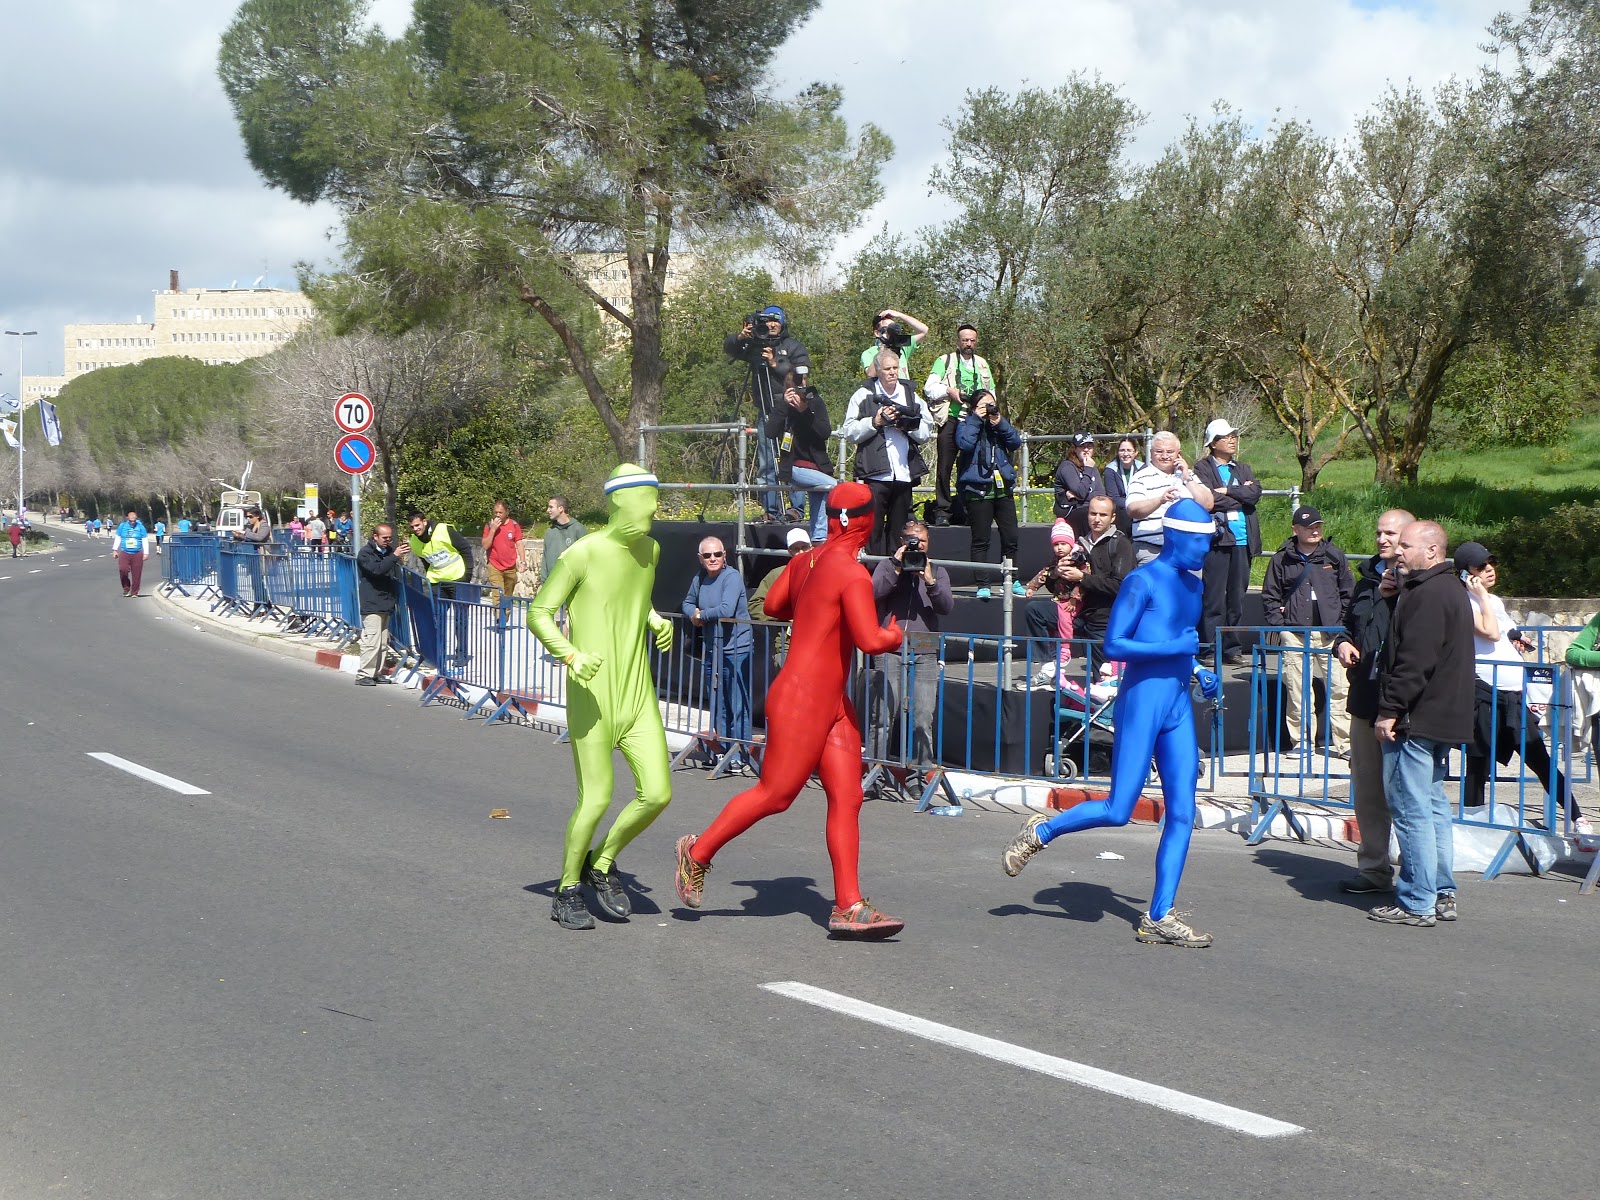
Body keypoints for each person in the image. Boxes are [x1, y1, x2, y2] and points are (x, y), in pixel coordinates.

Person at [674, 482, 907, 938]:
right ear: (864, 521)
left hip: (828, 702)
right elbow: (870, 639)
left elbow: (775, 605)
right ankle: (696, 852)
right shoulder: (852, 574)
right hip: (804, 701)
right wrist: (894, 635)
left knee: (848, 797)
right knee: (776, 795)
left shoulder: (807, 560)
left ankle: (848, 905)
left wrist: (818, 613)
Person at [1000, 498, 1222, 947]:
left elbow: (1179, 642)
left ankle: (1159, 915)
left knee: (1183, 812)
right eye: (1200, 541)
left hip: (1177, 704)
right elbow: (1116, 645)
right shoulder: (1142, 581)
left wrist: (1198, 669)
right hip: (1141, 702)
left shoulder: (1193, 586)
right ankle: (1042, 830)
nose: (1206, 550)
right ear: (1176, 537)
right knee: (1119, 810)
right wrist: (1177, 651)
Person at [527, 464, 675, 930]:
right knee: (596, 798)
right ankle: (567, 889)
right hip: (592, 696)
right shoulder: (583, 553)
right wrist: (570, 655)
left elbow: (635, 597)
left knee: (657, 793)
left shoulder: (650, 550)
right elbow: (539, 613)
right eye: (647, 499)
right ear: (619, 501)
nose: (655, 507)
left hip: (637, 694)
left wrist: (653, 618)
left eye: (655, 498)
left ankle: (602, 862)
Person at [1371, 520, 1475, 927]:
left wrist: (1390, 710)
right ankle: (1440, 891)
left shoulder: (1429, 593)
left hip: (1416, 719)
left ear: (1432, 551)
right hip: (1438, 717)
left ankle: (1417, 899)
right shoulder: (1446, 588)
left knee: (1411, 809)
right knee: (1432, 808)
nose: (1398, 551)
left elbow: (1415, 662)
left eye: (1407, 545)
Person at [1456, 541, 1589, 833]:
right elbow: (1490, 633)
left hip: (1514, 696)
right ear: (1466, 573)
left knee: (1540, 759)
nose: (1489, 569)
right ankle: (1472, 826)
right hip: (1484, 693)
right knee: (1478, 764)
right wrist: (1480, 596)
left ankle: (1578, 818)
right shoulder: (1463, 602)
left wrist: (1517, 639)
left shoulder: (1494, 601)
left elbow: (1504, 631)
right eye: (1481, 566)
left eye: (1491, 563)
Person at [1332, 508, 1414, 894]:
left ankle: (1417, 880)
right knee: (1368, 793)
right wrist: (1342, 643)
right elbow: (1350, 625)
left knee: (1408, 797)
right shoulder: (1366, 579)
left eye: (1390, 534)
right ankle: (1373, 870)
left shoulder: (1421, 584)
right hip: (1365, 700)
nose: (1382, 539)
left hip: (1404, 708)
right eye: (1379, 532)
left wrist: (1394, 597)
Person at [1262, 505, 1354, 759]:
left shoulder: (1334, 556)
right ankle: (1302, 742)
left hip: (1331, 634)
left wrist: (1343, 627)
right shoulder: (1281, 559)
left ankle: (1345, 744)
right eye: (1309, 527)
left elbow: (1348, 593)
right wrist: (1281, 628)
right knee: (1298, 691)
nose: (1315, 531)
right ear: (1296, 530)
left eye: (1318, 526)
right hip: (1294, 633)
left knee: (1340, 689)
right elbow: (1270, 595)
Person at [872, 517, 955, 783]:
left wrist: (929, 581)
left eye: (922, 541)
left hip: (925, 649)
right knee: (883, 716)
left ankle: (919, 778)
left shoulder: (937, 571)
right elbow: (872, 593)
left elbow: (946, 607)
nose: (917, 546)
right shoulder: (887, 566)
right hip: (889, 646)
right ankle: (875, 774)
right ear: (901, 541)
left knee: (922, 718)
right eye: (912, 541)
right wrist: (896, 568)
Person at [842, 350, 934, 556]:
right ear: (877, 370)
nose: (892, 372)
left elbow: (926, 432)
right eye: (887, 369)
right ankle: (872, 571)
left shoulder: (910, 394)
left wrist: (906, 425)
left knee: (899, 532)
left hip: (903, 473)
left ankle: (895, 571)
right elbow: (849, 432)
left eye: (895, 368)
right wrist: (875, 422)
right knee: (871, 530)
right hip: (874, 474)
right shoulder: (863, 394)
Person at [725, 305, 812, 522]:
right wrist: (740, 337)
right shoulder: (756, 346)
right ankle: (770, 511)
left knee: (792, 461)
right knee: (766, 465)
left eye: (776, 321)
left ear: (783, 323)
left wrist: (774, 363)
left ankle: (796, 509)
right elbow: (730, 350)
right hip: (766, 413)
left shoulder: (794, 346)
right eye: (768, 321)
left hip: (791, 413)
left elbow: (801, 377)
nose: (771, 325)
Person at [1193, 420, 1262, 665]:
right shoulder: (1202, 468)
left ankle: (1232, 648)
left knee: (1237, 599)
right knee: (1213, 597)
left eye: (1234, 436)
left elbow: (1255, 494)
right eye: (1226, 436)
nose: (1232, 440)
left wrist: (1228, 492)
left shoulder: (1243, 468)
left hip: (1243, 542)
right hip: (1217, 542)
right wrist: (1240, 494)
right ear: (1213, 443)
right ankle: (1208, 648)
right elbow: (1208, 500)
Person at [682, 536, 754, 772]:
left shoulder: (732, 577)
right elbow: (687, 602)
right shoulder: (699, 578)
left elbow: (726, 609)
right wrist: (693, 613)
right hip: (712, 649)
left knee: (737, 703)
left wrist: (701, 616)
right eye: (707, 555)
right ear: (700, 558)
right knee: (718, 702)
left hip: (736, 650)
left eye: (717, 554)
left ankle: (740, 754)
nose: (713, 558)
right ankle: (722, 749)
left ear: (725, 556)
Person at [922, 324, 995, 526]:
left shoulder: (982, 364)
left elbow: (992, 392)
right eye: (965, 340)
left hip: (974, 421)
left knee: (970, 466)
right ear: (958, 341)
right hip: (950, 419)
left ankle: (967, 509)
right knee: (944, 467)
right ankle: (942, 511)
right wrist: (949, 391)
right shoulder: (945, 361)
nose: (968, 344)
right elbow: (929, 388)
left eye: (972, 340)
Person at [955, 389, 1022, 600]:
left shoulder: (998, 424)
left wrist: (1000, 422)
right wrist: (976, 419)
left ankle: (1011, 579)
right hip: (978, 490)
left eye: (991, 404)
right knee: (981, 539)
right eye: (984, 405)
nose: (988, 409)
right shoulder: (966, 424)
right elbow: (965, 444)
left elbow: (1015, 442)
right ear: (974, 407)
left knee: (1011, 537)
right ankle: (982, 583)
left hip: (1002, 489)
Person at [765, 369, 836, 544]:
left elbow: (824, 432)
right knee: (833, 486)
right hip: (794, 467)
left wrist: (805, 411)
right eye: (795, 386)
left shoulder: (815, 402)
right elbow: (770, 432)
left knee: (820, 496)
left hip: (817, 467)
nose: (800, 389)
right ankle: (820, 537)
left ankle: (818, 538)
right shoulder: (783, 406)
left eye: (803, 383)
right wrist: (783, 405)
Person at [396, 510, 475, 666]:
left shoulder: (443, 530)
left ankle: (461, 655)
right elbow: (426, 561)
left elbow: (465, 549)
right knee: (436, 619)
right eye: (412, 527)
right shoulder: (414, 541)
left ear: (425, 522)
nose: (415, 529)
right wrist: (430, 579)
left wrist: (467, 576)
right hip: (437, 582)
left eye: (417, 525)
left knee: (460, 619)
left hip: (458, 578)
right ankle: (438, 654)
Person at [1125, 431, 1214, 564]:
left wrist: (1187, 478)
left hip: (1187, 550)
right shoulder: (1140, 477)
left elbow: (1208, 504)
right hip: (1152, 550)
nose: (1165, 456)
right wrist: (1160, 500)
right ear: (1151, 452)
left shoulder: (1189, 475)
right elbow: (1132, 510)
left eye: (1170, 452)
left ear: (1179, 454)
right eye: (1159, 451)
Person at [1020, 519, 1085, 687]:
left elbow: (1084, 581)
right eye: (1056, 544)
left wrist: (1074, 598)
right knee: (1040, 614)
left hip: (1075, 602)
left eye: (1063, 544)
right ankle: (1049, 659)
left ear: (1071, 544)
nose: (1060, 548)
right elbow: (1044, 574)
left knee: (1065, 620)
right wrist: (1032, 587)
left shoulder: (1078, 558)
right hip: (1060, 599)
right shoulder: (1055, 561)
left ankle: (1065, 648)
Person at [749, 528, 811, 667]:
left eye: (804, 547)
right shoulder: (777, 575)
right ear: (789, 551)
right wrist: (781, 615)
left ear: (811, 547)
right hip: (787, 648)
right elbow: (754, 604)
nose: (801, 552)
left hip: (818, 646)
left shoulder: (822, 572)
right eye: (796, 549)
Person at [354, 523, 401, 686]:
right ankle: (364, 674)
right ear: (375, 536)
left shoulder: (389, 552)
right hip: (372, 602)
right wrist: (394, 557)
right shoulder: (365, 553)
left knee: (382, 642)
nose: (387, 541)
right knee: (371, 641)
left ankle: (376, 672)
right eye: (384, 537)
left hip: (386, 601)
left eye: (389, 538)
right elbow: (376, 570)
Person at [1052, 434, 1105, 530]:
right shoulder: (1067, 467)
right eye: (1082, 446)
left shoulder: (1092, 466)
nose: (1086, 450)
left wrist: (1079, 497)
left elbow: (1101, 494)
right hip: (1073, 511)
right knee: (1088, 515)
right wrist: (1088, 469)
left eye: (1089, 446)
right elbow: (1081, 492)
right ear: (1075, 449)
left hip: (1091, 509)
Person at [859, 308, 930, 380]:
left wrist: (899, 315)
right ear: (877, 333)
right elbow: (870, 375)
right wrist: (882, 349)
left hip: (903, 386)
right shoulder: (869, 353)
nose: (891, 330)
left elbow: (923, 331)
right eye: (887, 328)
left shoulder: (902, 346)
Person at [480, 500, 523, 604]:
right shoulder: (489, 526)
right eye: (496, 512)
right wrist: (493, 529)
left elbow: (519, 543)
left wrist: (523, 561)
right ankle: (498, 614)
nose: (498, 515)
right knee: (498, 596)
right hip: (494, 565)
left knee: (508, 597)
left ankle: (505, 614)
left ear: (506, 512)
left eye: (500, 512)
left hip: (510, 566)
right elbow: (485, 545)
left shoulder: (514, 525)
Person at [542, 496, 586, 584]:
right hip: (552, 583)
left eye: (551, 507)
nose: (547, 510)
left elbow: (586, 556)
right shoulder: (549, 532)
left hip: (572, 583)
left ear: (561, 508)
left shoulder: (578, 529)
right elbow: (545, 559)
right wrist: (543, 582)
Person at [1101, 436, 1143, 525]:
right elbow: (1113, 498)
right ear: (1118, 452)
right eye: (1122, 450)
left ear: (1135, 452)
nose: (1125, 454)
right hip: (1121, 512)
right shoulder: (1110, 470)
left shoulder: (1143, 468)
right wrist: (1132, 505)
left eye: (1129, 450)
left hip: (1140, 509)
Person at [114, 509, 150, 598]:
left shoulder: (140, 527)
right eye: (131, 521)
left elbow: (145, 540)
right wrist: (115, 550)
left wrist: (146, 553)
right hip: (125, 552)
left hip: (137, 552)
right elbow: (118, 537)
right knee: (123, 569)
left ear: (136, 519)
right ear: (127, 519)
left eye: (134, 521)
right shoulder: (122, 526)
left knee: (136, 573)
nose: (132, 523)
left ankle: (134, 592)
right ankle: (126, 588)